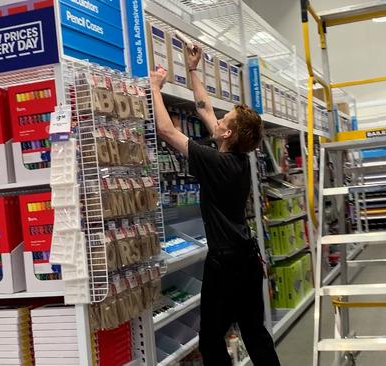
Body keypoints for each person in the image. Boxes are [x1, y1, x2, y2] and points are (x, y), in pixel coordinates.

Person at [150, 43, 281, 366]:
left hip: (226, 264)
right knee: (254, 331)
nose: (219, 119)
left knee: (210, 342)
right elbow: (205, 109)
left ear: (228, 133)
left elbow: (166, 130)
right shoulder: (235, 157)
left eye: (226, 119)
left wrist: (153, 87)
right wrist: (192, 69)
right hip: (248, 259)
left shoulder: (216, 162)